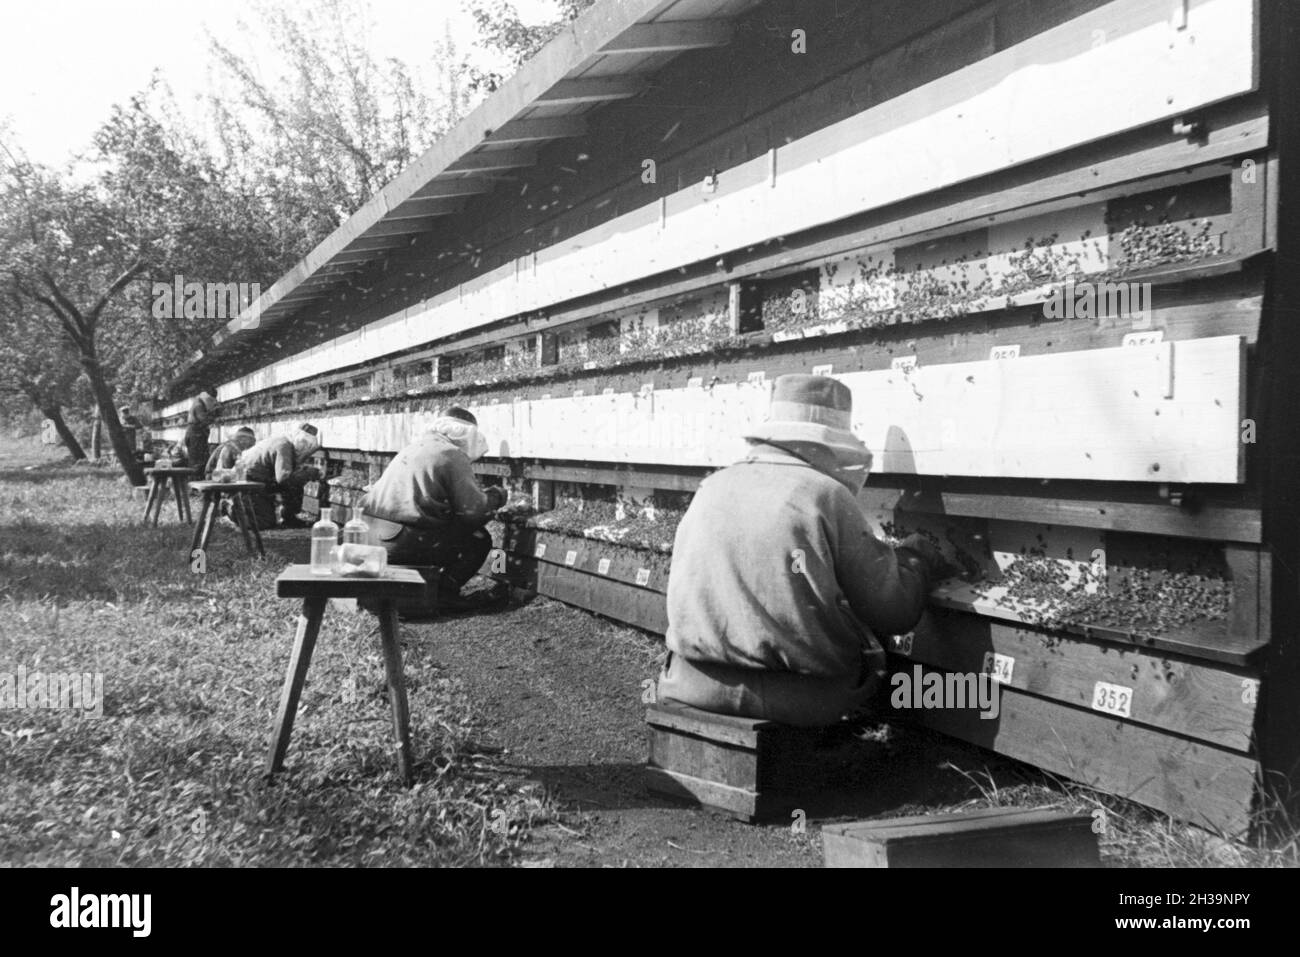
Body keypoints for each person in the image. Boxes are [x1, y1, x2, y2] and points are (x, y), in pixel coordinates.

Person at [655, 374, 947, 728]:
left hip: (691, 684)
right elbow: (894, 611)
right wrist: (917, 558)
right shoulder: (825, 495)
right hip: (800, 700)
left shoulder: (711, 486)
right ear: (829, 444)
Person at [361, 407, 507, 613]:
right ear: (466, 435)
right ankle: (445, 594)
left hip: (371, 535)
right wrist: (496, 496)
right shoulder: (452, 453)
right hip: (400, 541)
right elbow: (473, 511)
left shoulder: (415, 447)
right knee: (478, 539)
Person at [240, 423, 323, 529]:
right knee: (264, 522)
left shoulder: (285, 442)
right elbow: (284, 479)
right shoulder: (284, 446)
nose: (303, 446)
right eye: (302, 441)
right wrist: (309, 473)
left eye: (307, 444)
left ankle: (289, 517)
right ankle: (229, 508)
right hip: (249, 481)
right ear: (295, 436)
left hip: (258, 479)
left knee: (295, 482)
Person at [184, 390, 220, 476]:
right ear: (208, 398)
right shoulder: (199, 405)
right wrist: (214, 416)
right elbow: (204, 420)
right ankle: (194, 484)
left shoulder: (199, 402)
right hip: (195, 436)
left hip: (197, 436)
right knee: (197, 463)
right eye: (211, 401)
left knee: (200, 461)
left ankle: (195, 481)